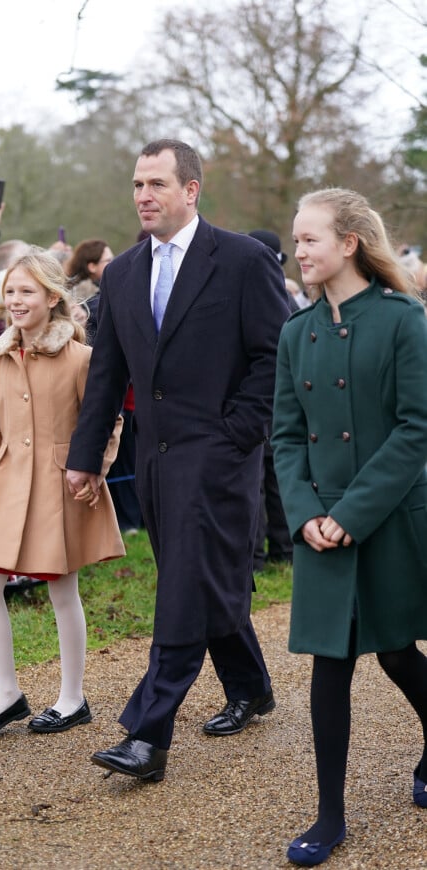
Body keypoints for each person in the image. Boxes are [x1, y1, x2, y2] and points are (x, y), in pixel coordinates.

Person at [66, 138, 290, 781]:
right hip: (157, 462)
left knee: (185, 587)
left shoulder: (244, 261)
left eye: (157, 184)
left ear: (191, 190)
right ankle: (250, 685)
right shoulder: (123, 273)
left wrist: (236, 433)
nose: (143, 196)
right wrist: (87, 458)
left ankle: (147, 733)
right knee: (202, 580)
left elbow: (275, 359)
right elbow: (106, 374)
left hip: (221, 457)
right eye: (137, 184)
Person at [271, 188, 427, 866]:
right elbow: (284, 438)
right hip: (321, 532)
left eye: (309, 239)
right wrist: (308, 515)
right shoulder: (293, 333)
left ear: (348, 244)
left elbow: (416, 428)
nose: (298, 251)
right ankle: (328, 816)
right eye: (296, 240)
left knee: (395, 653)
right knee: (329, 665)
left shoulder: (403, 320)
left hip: (389, 519)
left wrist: (351, 515)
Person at [0, 248, 125, 741]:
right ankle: (6, 694)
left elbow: (107, 422)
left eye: (26, 291)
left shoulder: (81, 358)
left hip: (61, 486)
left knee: (60, 588)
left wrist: (92, 469)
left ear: (52, 297)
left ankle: (72, 699)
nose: (15, 300)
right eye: (9, 291)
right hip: (5, 484)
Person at [248, 229, 295, 571]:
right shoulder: (286, 294)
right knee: (272, 478)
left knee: (262, 481)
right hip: (276, 398)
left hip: (268, 397)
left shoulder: (261, 290)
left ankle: (259, 555)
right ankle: (281, 548)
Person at [66, 239, 114, 345]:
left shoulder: (102, 291)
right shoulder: (89, 300)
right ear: (92, 267)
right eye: (108, 261)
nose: (114, 263)